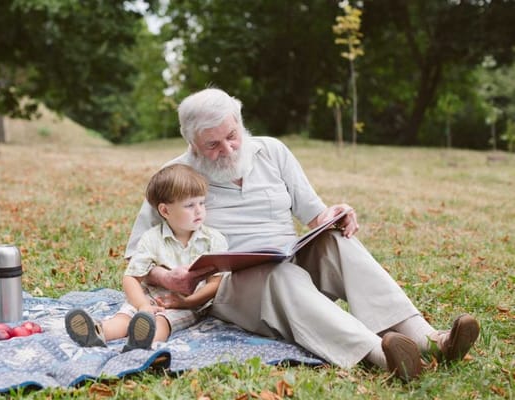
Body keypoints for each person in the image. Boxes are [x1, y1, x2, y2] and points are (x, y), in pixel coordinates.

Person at [125, 88, 480, 381]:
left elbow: (314, 215)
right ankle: (383, 354)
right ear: (191, 143)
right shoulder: (174, 177)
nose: (228, 149)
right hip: (230, 288)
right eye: (213, 145)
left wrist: (336, 215)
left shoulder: (272, 151)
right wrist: (169, 278)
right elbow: (135, 254)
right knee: (277, 274)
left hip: (287, 260)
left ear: (240, 123)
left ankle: (429, 340)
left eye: (232, 136)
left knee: (336, 241)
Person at [66, 164, 228, 352]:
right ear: (165, 211)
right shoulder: (152, 238)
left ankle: (145, 343)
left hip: (188, 303)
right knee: (124, 317)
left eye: (201, 203)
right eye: (190, 205)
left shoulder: (213, 240)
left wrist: (187, 302)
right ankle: (97, 332)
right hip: (149, 296)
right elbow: (131, 278)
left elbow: (215, 283)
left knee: (162, 321)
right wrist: (142, 305)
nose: (199, 210)